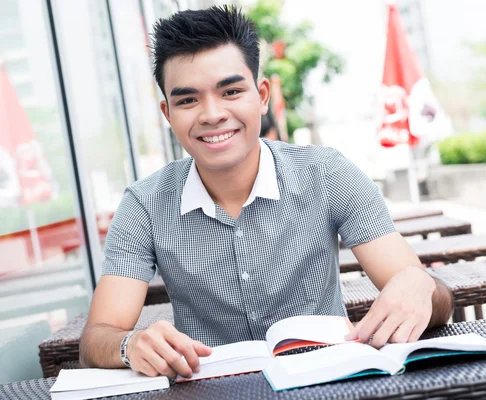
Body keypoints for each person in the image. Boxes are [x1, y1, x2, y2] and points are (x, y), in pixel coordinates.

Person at [79, 5, 453, 380]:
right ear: (168, 113)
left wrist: (419, 286)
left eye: (231, 91)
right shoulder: (144, 204)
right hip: (210, 389)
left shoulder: (327, 174)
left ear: (261, 95)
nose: (212, 114)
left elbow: (434, 300)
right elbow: (96, 338)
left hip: (329, 383)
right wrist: (130, 345)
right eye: (188, 100)